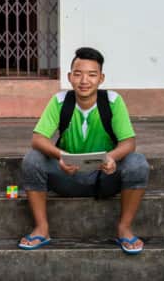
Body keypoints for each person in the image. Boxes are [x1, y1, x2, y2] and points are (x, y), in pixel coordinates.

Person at [19, 47, 150, 253]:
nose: (84, 80)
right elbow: (38, 139)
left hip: (104, 177)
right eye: (78, 74)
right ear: (70, 77)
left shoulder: (113, 101)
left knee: (137, 162)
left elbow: (129, 143)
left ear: (101, 78)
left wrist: (112, 158)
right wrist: (61, 156)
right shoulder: (60, 101)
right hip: (67, 175)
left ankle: (124, 228)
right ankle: (42, 228)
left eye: (91, 75)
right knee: (32, 159)